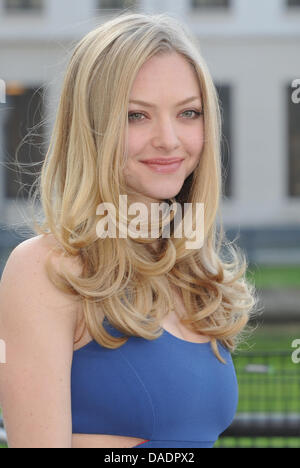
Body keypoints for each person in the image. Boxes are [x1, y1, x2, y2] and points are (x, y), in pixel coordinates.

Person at [0, 12, 258, 448]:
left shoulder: (194, 273)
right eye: (137, 116)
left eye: (188, 113)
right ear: (92, 127)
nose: (169, 138)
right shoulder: (46, 271)